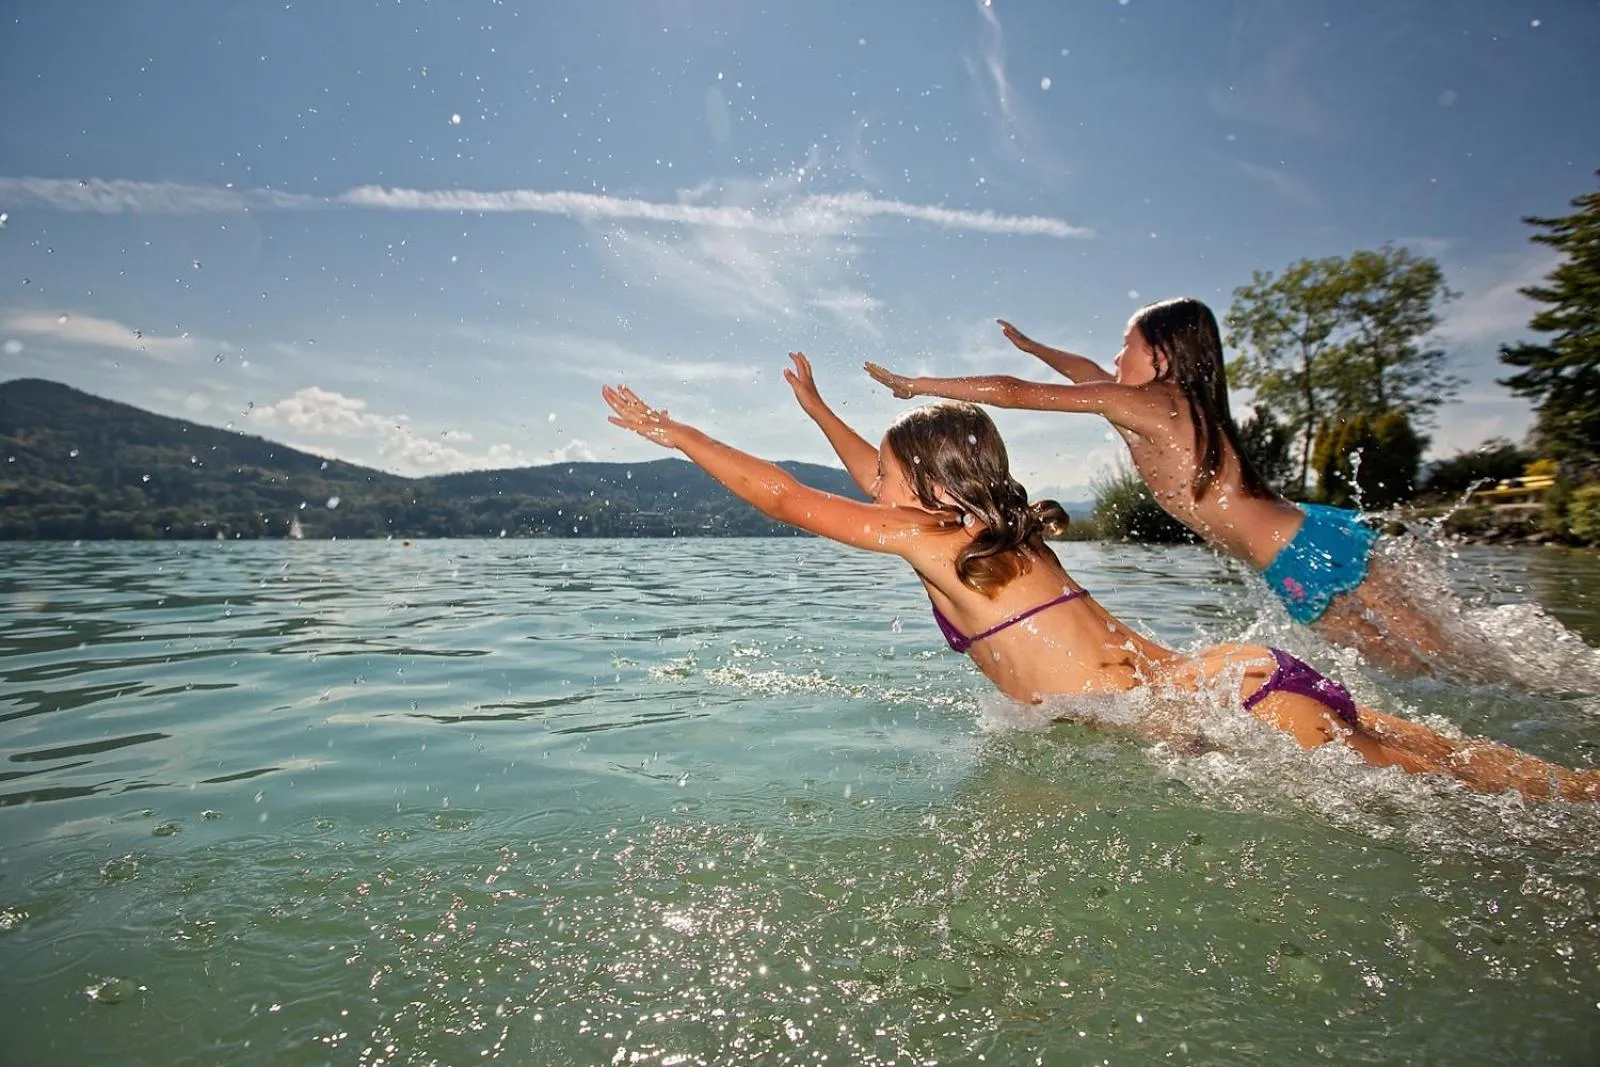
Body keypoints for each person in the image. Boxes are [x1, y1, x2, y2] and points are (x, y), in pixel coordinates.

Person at [602, 357, 1599, 802]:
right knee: (1470, 766)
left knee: (1465, 801)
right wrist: (820, 404)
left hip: (1222, 709)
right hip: (1241, 679)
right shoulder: (1003, 532)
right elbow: (869, 470)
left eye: (891, 477)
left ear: (921, 489)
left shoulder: (936, 544)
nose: (878, 487)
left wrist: (674, 431)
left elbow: (783, 497)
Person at [862, 298, 1456, 678]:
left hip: (1303, 552)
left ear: (1162, 356)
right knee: (1430, 662)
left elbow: (1020, 392)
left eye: (1128, 347)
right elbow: (1083, 375)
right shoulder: (1165, 407)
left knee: (1426, 665)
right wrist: (1037, 347)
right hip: (1296, 546)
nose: (1116, 359)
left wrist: (918, 385)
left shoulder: (1157, 404)